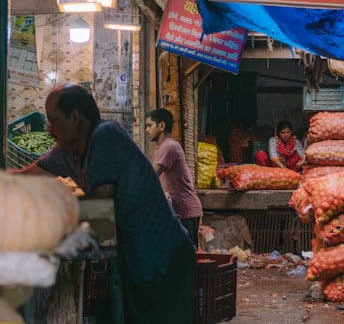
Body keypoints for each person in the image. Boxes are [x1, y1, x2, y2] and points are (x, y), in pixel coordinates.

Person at [12, 84, 195, 324]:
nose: (49, 128)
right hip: (137, 262)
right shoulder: (65, 152)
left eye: (53, 120)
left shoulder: (106, 135)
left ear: (75, 117)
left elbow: (100, 206)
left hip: (163, 258)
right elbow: (23, 175)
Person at [145, 107, 203, 248]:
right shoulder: (161, 148)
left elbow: (151, 176)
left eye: (149, 125)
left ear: (162, 126)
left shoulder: (169, 147)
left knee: (186, 259)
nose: (147, 130)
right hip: (177, 211)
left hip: (185, 212)